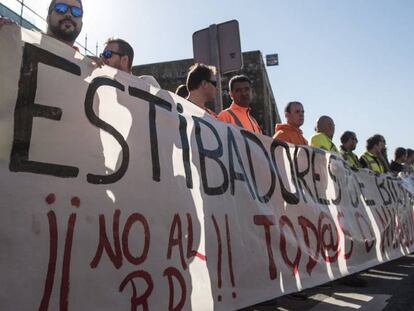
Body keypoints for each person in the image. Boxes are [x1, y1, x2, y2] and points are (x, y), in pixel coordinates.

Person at [1, 0, 83, 48]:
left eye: (76, 11)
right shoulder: (19, 43)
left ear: (81, 25)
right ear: (48, 18)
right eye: (61, 8)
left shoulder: (89, 67)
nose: (69, 14)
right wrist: (6, 32)